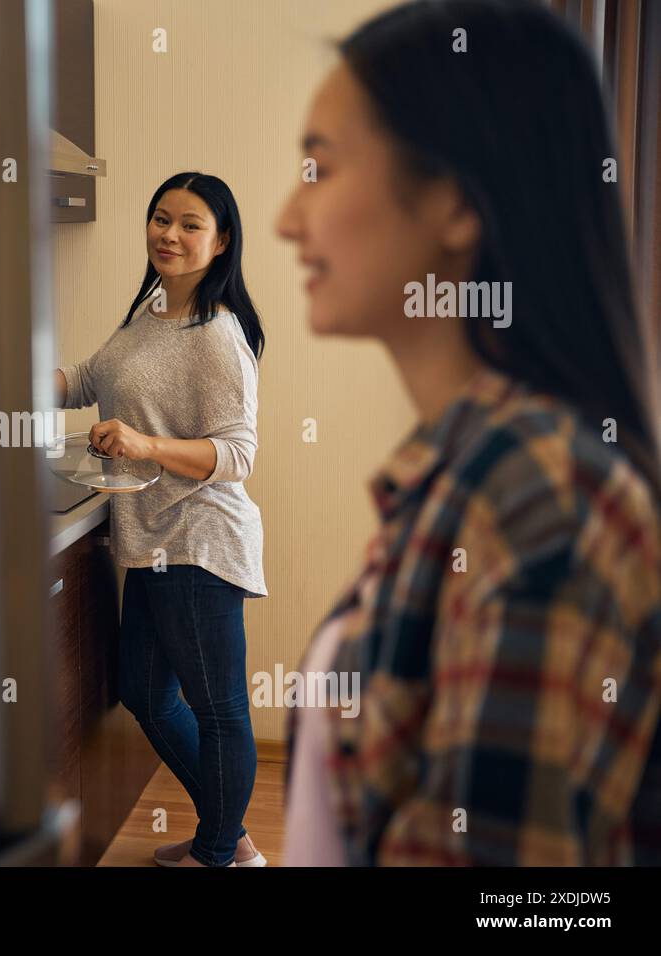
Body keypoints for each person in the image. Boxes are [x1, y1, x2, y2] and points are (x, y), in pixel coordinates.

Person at [275, 0, 661, 865]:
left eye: (318, 167)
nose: (286, 220)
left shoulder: (538, 491)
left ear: (454, 204)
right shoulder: (466, 474)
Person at [54, 172, 268, 867]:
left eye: (189, 224)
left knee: (219, 712)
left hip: (197, 541)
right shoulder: (151, 310)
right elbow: (90, 379)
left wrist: (146, 445)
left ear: (222, 239)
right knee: (145, 693)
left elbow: (238, 454)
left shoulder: (218, 335)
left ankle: (218, 852)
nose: (169, 235)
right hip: (150, 542)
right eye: (160, 219)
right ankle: (227, 837)